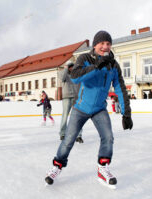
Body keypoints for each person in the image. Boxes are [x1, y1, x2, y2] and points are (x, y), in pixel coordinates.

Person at [45, 30, 133, 186]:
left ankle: (102, 168)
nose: (105, 47)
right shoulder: (84, 58)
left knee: (108, 137)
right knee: (69, 140)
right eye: (102, 43)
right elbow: (75, 76)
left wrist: (126, 114)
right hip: (80, 108)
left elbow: (120, 88)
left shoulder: (113, 65)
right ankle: (56, 166)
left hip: (99, 109)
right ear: (95, 45)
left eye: (108, 43)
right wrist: (96, 67)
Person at [59, 61, 83, 143]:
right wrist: (65, 68)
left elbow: (81, 84)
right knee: (65, 115)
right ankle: (62, 133)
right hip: (66, 97)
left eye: (73, 67)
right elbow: (62, 78)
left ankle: (79, 135)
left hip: (76, 97)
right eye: (70, 67)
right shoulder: (62, 73)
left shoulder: (76, 75)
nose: (72, 68)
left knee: (77, 117)